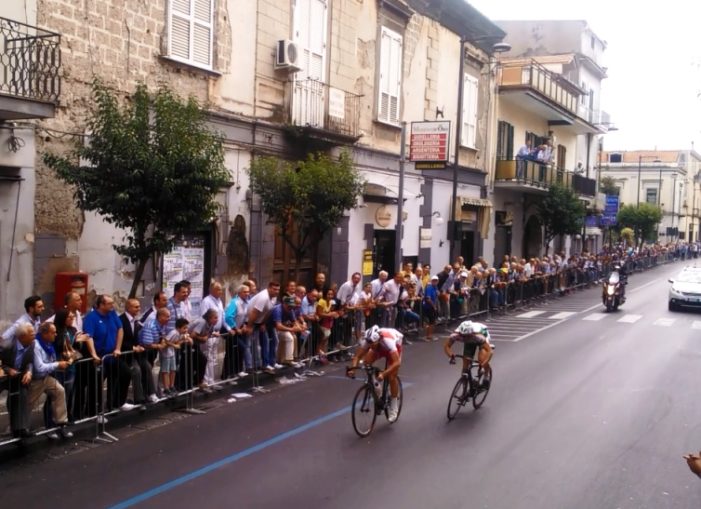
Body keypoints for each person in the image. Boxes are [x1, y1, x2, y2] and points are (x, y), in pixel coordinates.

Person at [346, 325, 403, 422]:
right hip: (380, 348)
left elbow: (397, 363)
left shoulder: (387, 341)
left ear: (378, 339)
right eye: (369, 343)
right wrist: (353, 369)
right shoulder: (369, 341)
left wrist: (384, 374)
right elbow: (357, 357)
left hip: (394, 346)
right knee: (367, 363)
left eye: (373, 343)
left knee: (391, 376)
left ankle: (394, 406)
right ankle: (378, 390)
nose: (370, 345)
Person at [444, 320, 493, 388]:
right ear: (460, 334)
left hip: (482, 333)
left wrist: (484, 363)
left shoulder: (479, 336)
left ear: (471, 333)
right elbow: (447, 346)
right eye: (464, 336)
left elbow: (490, 352)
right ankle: (465, 387)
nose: (466, 338)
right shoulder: (455, 335)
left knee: (482, 358)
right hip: (471, 338)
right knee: (465, 364)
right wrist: (451, 355)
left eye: (468, 336)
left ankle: (486, 375)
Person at [162, 318, 188, 396]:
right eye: (184, 328)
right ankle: (166, 388)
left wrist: (182, 341)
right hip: (166, 354)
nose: (186, 330)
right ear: (178, 328)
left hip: (172, 353)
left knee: (173, 370)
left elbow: (177, 342)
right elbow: (165, 340)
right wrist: (174, 345)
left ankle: (171, 386)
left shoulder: (179, 334)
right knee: (166, 371)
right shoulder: (174, 332)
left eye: (186, 328)